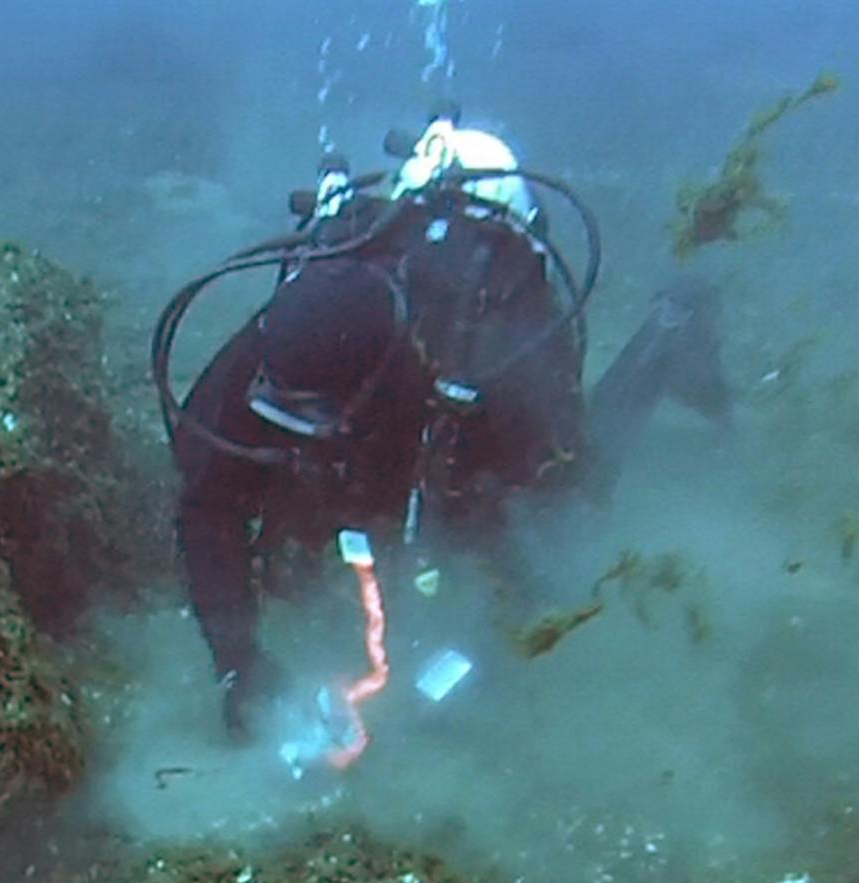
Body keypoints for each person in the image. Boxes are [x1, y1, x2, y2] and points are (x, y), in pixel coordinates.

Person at [156, 107, 729, 740]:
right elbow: (205, 504)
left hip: (459, 426)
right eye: (286, 412)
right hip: (388, 430)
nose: (301, 431)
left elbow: (531, 575)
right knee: (299, 535)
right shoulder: (280, 341)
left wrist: (448, 675)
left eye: (319, 417)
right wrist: (238, 663)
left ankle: (669, 334)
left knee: (573, 513)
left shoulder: (492, 369)